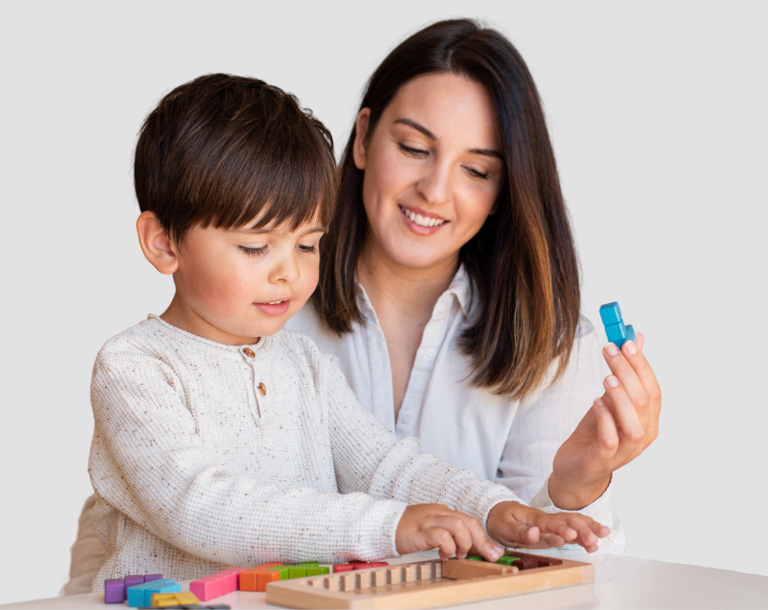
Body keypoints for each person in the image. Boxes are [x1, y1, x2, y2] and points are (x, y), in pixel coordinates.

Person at [80, 73, 609, 590]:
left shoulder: (304, 363)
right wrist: (386, 527)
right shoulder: (136, 367)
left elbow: (387, 466)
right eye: (255, 247)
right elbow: (200, 507)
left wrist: (493, 510)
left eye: (307, 244)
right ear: (163, 243)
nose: (289, 272)